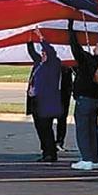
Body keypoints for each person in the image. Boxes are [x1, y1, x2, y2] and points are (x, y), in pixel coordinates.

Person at [67, 19, 98, 171]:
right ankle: (94, 158)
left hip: (84, 100)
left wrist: (70, 29)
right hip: (95, 100)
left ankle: (86, 159)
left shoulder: (88, 61)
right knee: (92, 130)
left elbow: (75, 47)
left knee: (83, 130)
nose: (95, 47)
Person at [26, 28, 63, 162]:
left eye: (44, 53)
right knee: (40, 128)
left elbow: (50, 51)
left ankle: (51, 153)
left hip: (47, 102)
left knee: (46, 128)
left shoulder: (54, 64)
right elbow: (32, 52)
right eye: (42, 53)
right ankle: (45, 151)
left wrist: (41, 37)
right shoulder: (39, 63)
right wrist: (29, 39)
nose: (43, 54)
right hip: (37, 101)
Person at [55, 65, 73, 152]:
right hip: (53, 92)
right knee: (47, 119)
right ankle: (50, 143)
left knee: (62, 118)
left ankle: (59, 142)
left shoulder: (67, 66)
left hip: (64, 92)